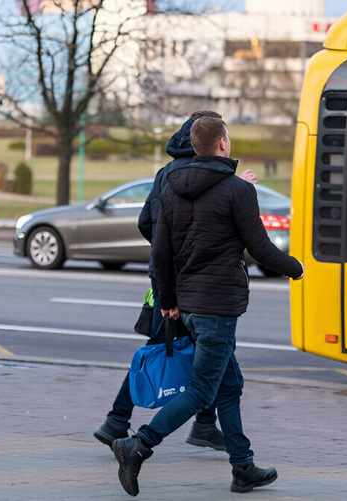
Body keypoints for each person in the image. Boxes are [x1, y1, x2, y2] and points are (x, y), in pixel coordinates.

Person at [112, 116, 304, 496]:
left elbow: (160, 253)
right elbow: (260, 247)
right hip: (217, 306)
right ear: (221, 145)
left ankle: (243, 467)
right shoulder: (238, 191)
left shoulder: (170, 187)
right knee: (202, 391)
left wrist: (167, 300)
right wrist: (297, 268)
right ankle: (139, 444)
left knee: (229, 385)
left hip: (187, 304)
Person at [94, 111, 258, 453]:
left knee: (189, 354)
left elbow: (146, 222)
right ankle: (122, 423)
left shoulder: (168, 173)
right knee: (169, 352)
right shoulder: (194, 176)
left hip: (170, 282)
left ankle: (201, 428)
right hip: (189, 287)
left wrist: (166, 251)